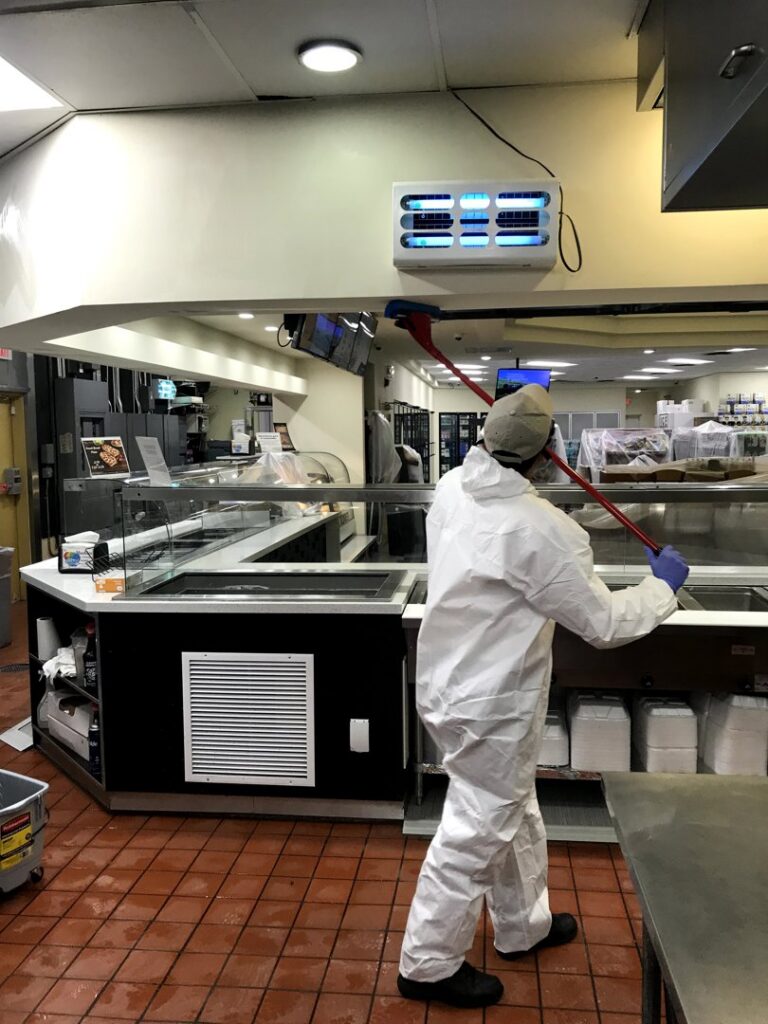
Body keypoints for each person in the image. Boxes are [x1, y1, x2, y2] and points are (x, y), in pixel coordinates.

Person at [397, 384, 689, 1009]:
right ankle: (425, 963)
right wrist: (661, 588)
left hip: (449, 685)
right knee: (476, 828)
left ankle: (521, 925)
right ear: (548, 453)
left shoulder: (451, 488)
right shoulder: (542, 529)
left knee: (513, 808)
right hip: (494, 703)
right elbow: (605, 622)